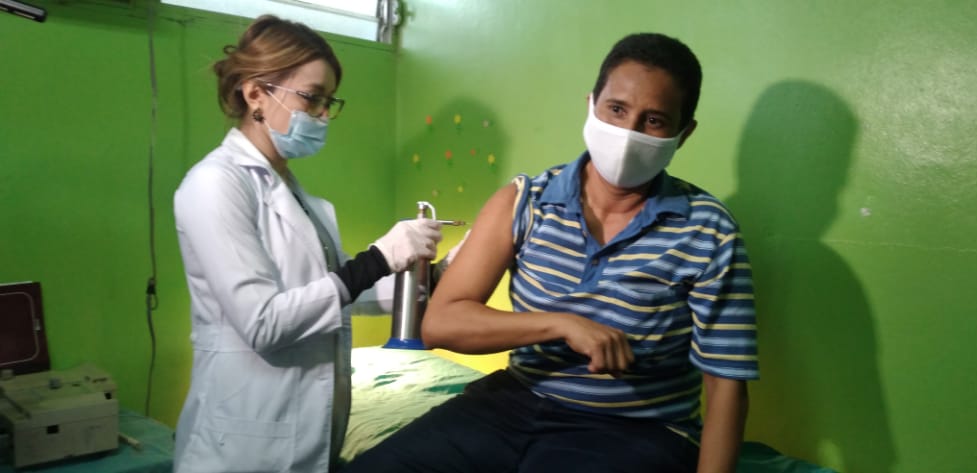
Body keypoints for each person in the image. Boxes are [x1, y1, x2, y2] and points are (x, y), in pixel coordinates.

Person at [342, 33, 759, 473]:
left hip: (636, 427)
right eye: (616, 109)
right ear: (591, 105)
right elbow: (441, 324)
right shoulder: (525, 201)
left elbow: (726, 387)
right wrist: (562, 324)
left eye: (654, 120)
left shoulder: (708, 229)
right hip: (511, 404)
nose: (628, 132)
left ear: (683, 133)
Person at [172, 15, 451, 473]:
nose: (323, 115)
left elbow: (338, 295)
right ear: (256, 93)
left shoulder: (296, 195)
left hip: (308, 432)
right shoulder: (214, 184)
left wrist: (433, 275)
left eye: (328, 101)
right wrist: (378, 258)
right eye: (312, 97)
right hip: (242, 445)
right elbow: (264, 323)